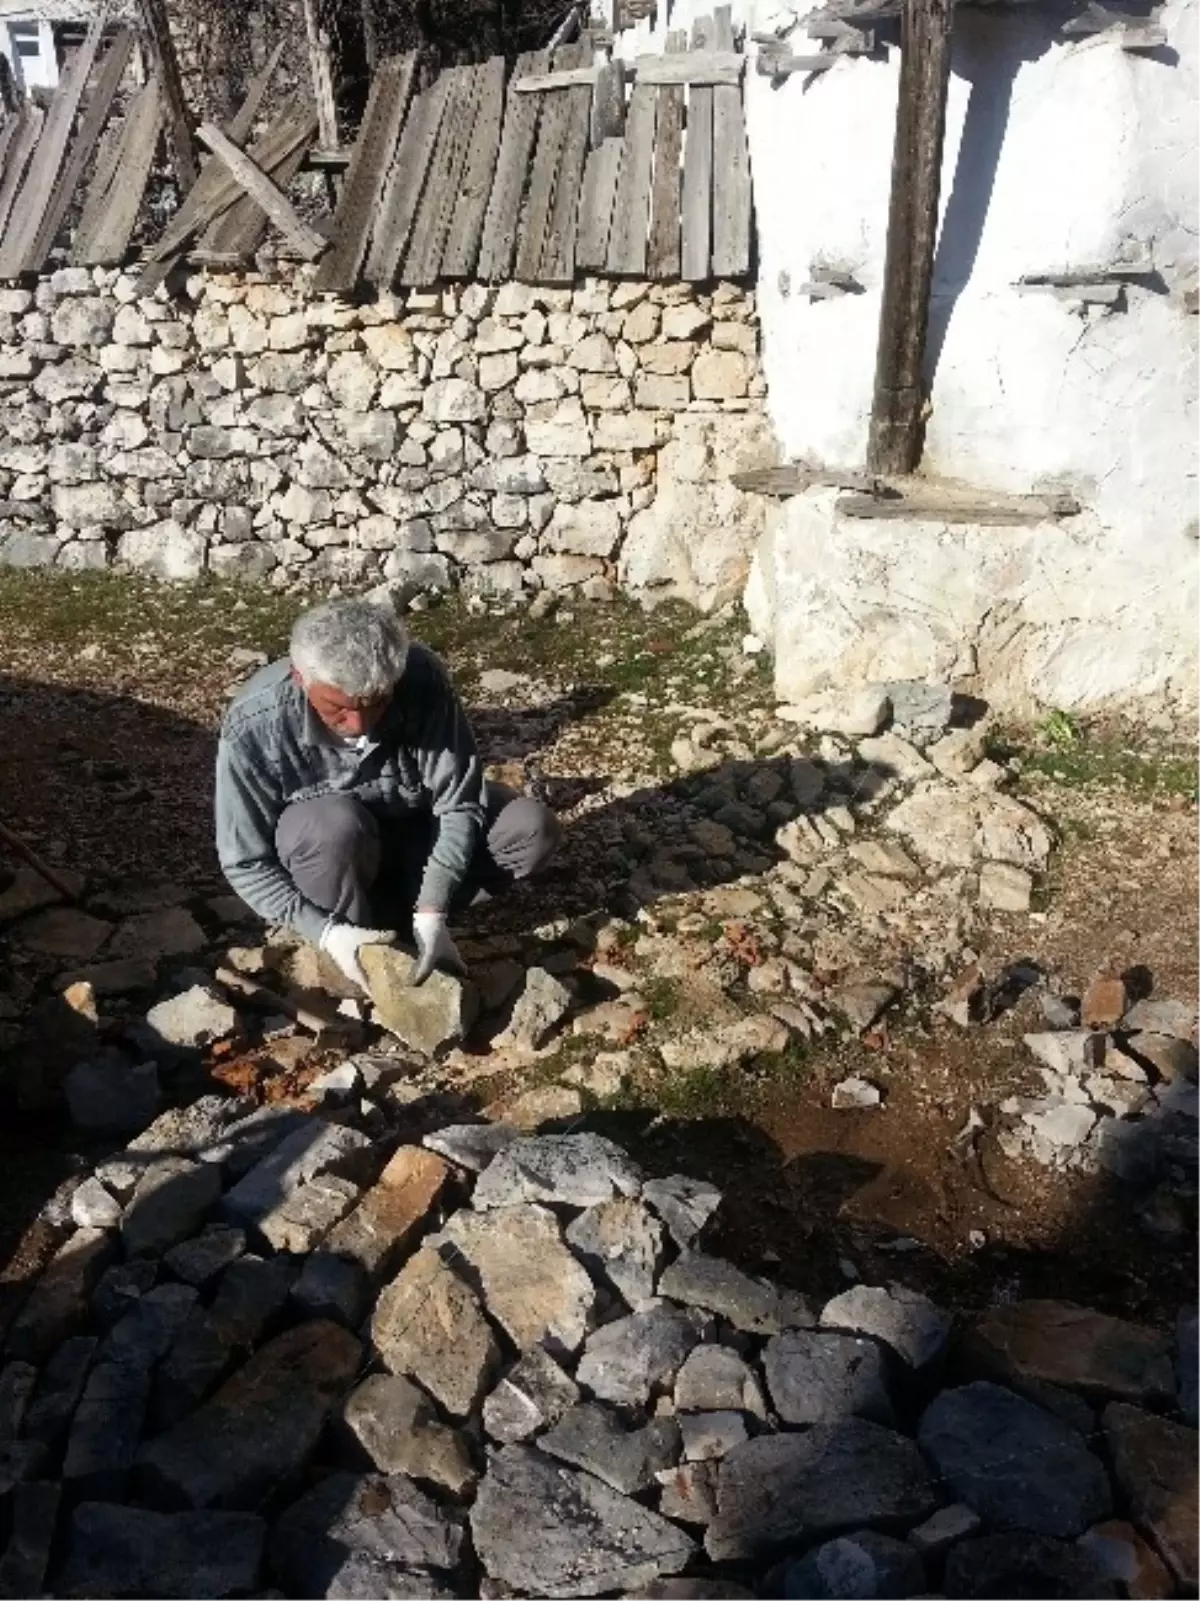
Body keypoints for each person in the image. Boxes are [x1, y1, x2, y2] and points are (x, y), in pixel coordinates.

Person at [214, 597, 560, 989]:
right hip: (331, 866)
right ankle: (351, 954)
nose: (359, 723)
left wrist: (433, 905)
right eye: (338, 708)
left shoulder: (421, 678)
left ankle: (408, 920)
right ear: (299, 677)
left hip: (412, 844)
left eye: (376, 703)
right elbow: (244, 861)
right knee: (331, 827)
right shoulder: (255, 723)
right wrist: (326, 931)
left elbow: (459, 801)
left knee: (531, 827)